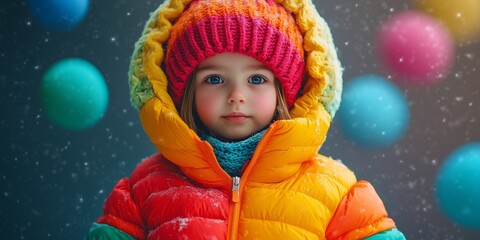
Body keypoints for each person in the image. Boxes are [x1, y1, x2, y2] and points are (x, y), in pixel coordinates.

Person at [85, 0, 406, 239]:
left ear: (285, 91)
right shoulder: (144, 191)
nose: (236, 95)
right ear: (184, 93)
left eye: (256, 80)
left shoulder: (336, 192)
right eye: (214, 79)